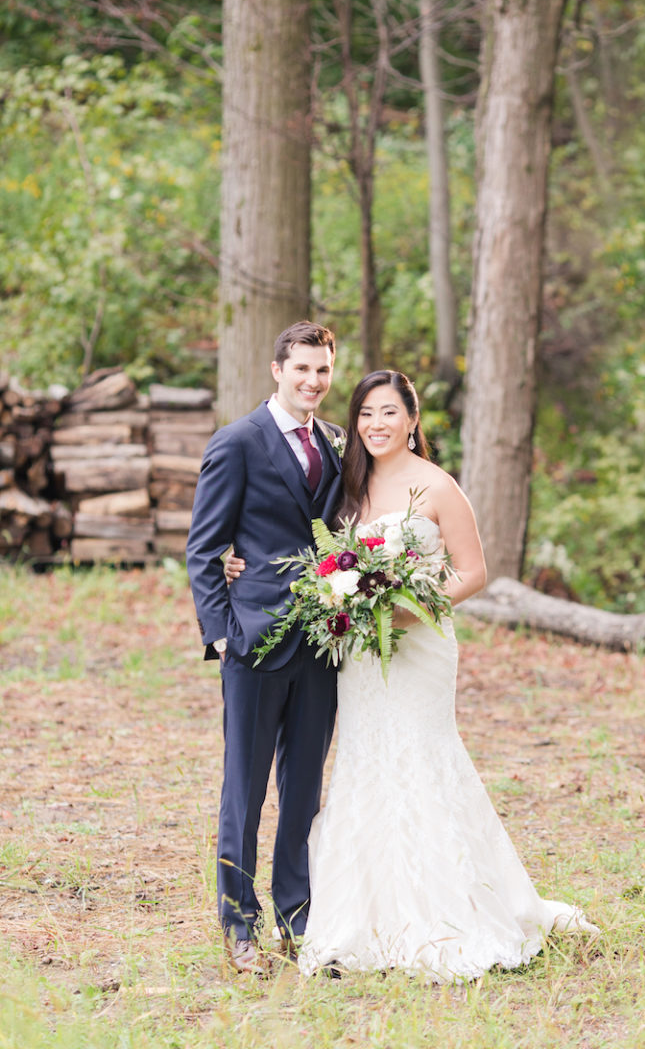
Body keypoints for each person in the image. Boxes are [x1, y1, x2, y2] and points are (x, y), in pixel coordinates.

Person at [225, 369, 598, 982]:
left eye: (389, 413)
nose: (376, 424)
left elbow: (473, 571)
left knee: (422, 758)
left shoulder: (436, 487)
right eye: (366, 413)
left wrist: (415, 607)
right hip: (361, 656)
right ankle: (362, 912)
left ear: (412, 419)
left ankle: (445, 912)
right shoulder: (351, 484)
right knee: (367, 760)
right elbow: (302, 542)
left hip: (420, 648)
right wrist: (236, 560)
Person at [186, 321, 345, 974]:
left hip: (320, 640)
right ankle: (238, 925)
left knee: (304, 790)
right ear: (277, 368)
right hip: (252, 643)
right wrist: (222, 633)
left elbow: (338, 529)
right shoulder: (238, 443)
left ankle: (296, 918)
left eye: (323, 371)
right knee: (245, 790)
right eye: (301, 369)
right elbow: (203, 549)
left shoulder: (334, 443)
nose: (312, 381)